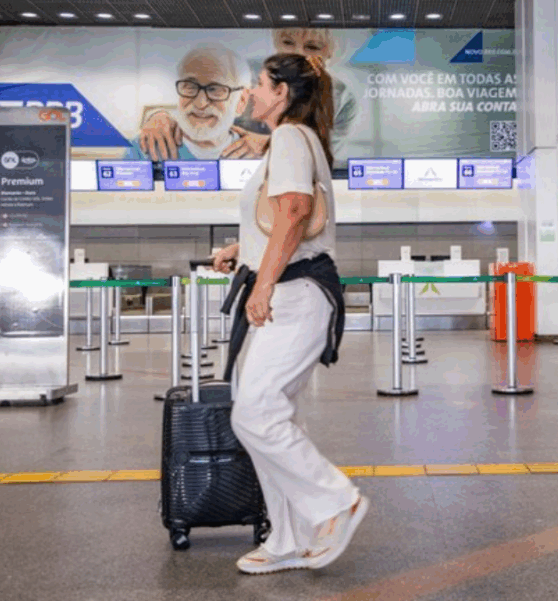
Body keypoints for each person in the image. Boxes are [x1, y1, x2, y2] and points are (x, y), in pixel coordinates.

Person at [209, 53, 368, 575]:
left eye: (257, 84)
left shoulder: (290, 138)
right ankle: (287, 539)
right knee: (269, 416)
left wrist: (265, 282)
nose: (249, 93)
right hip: (287, 289)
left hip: (293, 297)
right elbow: (279, 218)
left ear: (280, 93)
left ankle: (335, 502)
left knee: (254, 413)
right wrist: (244, 249)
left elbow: (297, 212)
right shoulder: (295, 140)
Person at [139, 28, 359, 167]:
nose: (296, 54)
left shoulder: (341, 99)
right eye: (287, 43)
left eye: (312, 47)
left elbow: (321, 158)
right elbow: (196, 100)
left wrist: (270, 145)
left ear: (330, 52)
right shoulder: (248, 72)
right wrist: (160, 116)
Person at [126, 45, 249, 161]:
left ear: (242, 101)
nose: (200, 104)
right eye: (190, 86)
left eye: (215, 89)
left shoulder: (258, 153)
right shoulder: (143, 149)